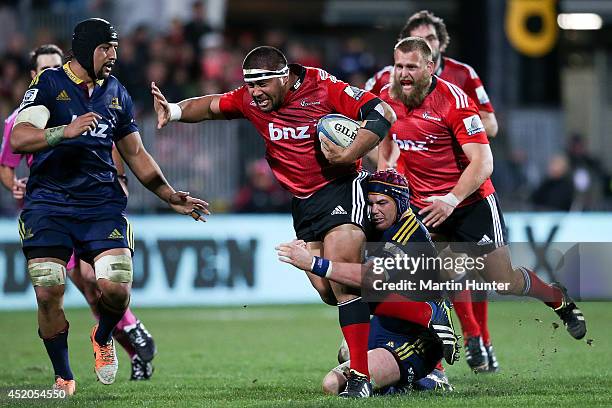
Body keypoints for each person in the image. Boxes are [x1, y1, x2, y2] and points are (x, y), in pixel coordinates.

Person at [152, 45, 396, 397]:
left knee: (343, 282)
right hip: (303, 205)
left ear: (284, 78)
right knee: (329, 290)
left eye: (263, 85)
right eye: (251, 86)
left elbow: (382, 112)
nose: (255, 94)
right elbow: (210, 105)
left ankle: (361, 376)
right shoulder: (250, 101)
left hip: (341, 189)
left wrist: (350, 153)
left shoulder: (323, 87)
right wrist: (173, 111)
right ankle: (392, 305)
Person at [11, 18, 209, 395]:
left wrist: (170, 196)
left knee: (116, 288)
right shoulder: (49, 84)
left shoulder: (116, 92)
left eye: (115, 47)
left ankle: (102, 337)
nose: (114, 55)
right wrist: (62, 131)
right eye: (107, 48)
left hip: (101, 204)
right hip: (49, 204)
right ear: (87, 49)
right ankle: (64, 377)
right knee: (48, 289)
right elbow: (20, 137)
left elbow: (135, 152)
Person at [377, 37, 586, 355]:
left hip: (470, 202)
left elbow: (483, 162)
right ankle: (437, 358)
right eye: (399, 66)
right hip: (424, 206)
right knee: (422, 278)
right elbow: (388, 143)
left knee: (504, 280)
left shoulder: (455, 102)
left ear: (430, 67)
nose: (403, 74)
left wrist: (451, 199)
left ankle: (557, 297)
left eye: (412, 67)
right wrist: (385, 176)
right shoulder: (387, 97)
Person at [0, 43, 157, 381]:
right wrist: (14, 184)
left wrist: (120, 176)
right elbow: (8, 160)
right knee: (55, 288)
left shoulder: (98, 94)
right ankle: (68, 374)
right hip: (49, 208)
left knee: (100, 282)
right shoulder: (21, 116)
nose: (55, 71)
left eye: (58, 64)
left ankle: (121, 335)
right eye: (46, 67)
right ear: (33, 75)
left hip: (93, 205)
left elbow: (114, 144)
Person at [366, 9, 498, 372]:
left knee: (481, 270)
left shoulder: (461, 77)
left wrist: (458, 118)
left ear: (439, 47)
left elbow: (491, 125)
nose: (428, 46)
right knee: (430, 270)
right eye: (419, 40)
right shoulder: (385, 81)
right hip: (417, 192)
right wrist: (383, 166)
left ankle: (480, 338)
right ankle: (448, 350)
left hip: (463, 184)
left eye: (433, 41)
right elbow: (370, 126)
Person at [277, 169, 458, 394]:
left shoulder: (408, 234)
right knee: (339, 364)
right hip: (384, 325)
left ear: (401, 203)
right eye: (370, 204)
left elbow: (371, 277)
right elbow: (332, 295)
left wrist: (314, 263)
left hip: (417, 337)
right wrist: (305, 259)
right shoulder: (369, 227)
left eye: (382, 203)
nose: (375, 211)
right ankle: (405, 382)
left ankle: (431, 366)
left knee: (335, 385)